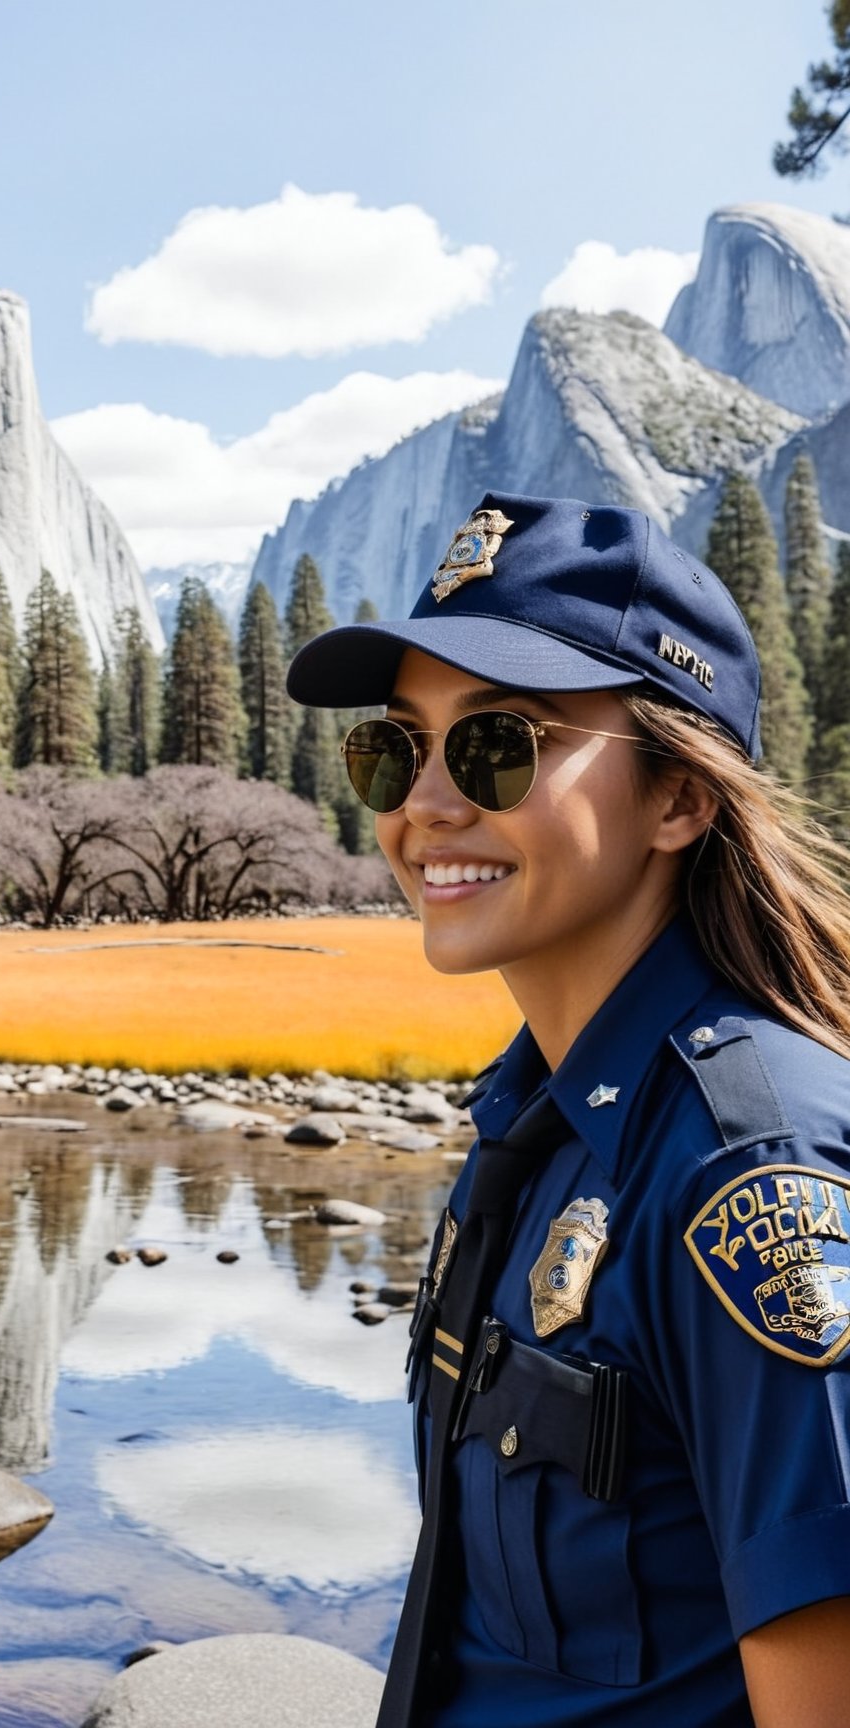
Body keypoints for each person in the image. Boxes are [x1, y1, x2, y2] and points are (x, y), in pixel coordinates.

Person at [285, 492, 850, 1728]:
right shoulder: (530, 1119)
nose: (422, 805)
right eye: (393, 747)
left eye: (498, 744)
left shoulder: (747, 1173)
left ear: (678, 801)